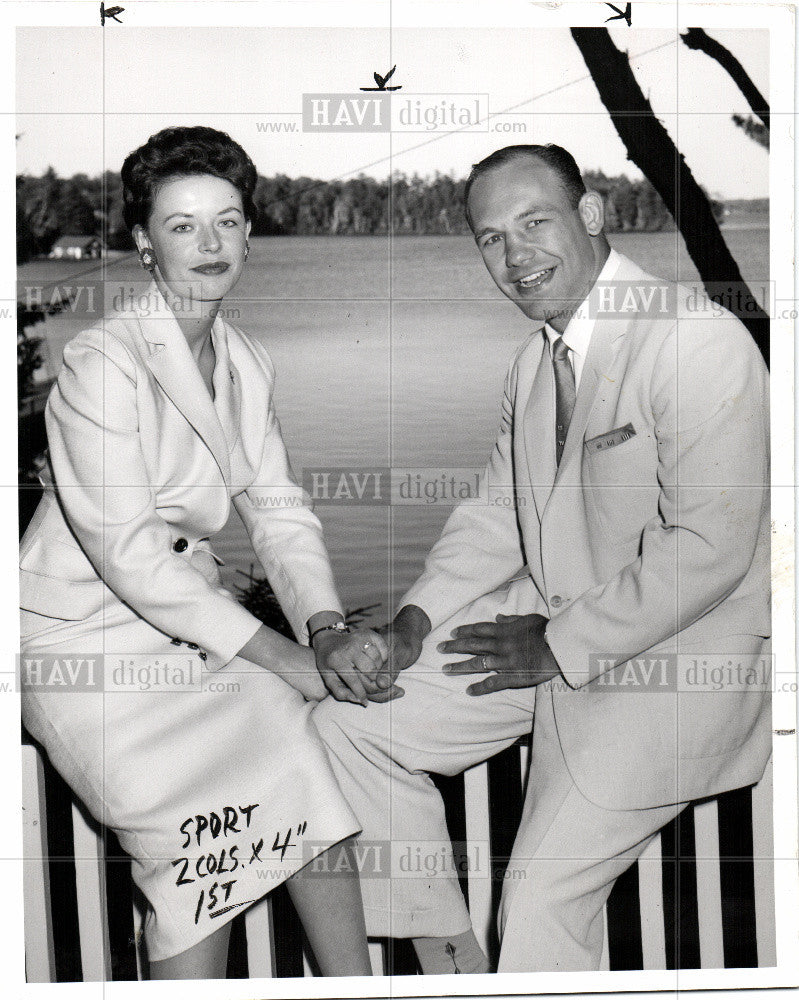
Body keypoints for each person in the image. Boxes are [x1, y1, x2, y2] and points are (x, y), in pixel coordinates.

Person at [312, 144, 771, 973]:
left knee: (537, 906)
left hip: (669, 668)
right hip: (552, 642)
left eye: (534, 223)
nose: (514, 254)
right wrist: (416, 621)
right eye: (491, 238)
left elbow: (710, 550)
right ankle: (450, 964)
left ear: (590, 216)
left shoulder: (692, 339)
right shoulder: (534, 364)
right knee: (350, 727)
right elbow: (494, 513)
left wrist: (552, 645)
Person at [19, 125, 396, 979]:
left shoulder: (246, 360)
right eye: (183, 225)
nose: (210, 244)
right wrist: (283, 656)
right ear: (143, 242)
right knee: (193, 867)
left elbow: (278, 511)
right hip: (85, 646)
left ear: (250, 233)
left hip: (184, 635)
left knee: (306, 777)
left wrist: (328, 629)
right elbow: (129, 555)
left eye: (227, 221)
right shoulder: (100, 362)